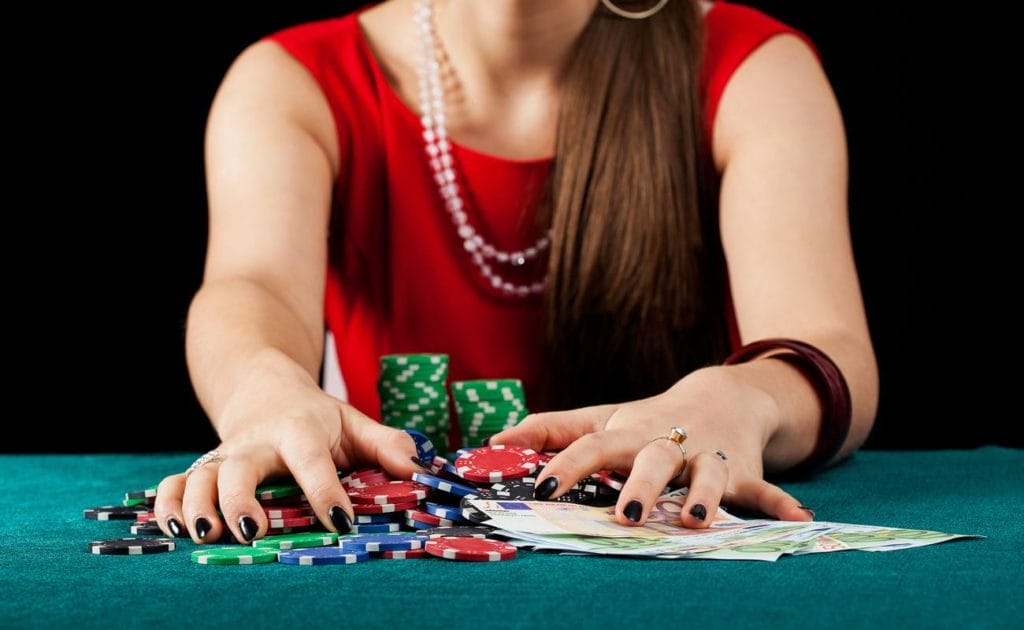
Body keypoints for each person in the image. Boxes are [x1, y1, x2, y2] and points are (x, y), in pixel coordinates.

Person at [154, 0, 878, 545]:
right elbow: (251, 289)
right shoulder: (290, 81)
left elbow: (825, 344)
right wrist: (260, 386)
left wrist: (743, 398)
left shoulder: (757, 69)